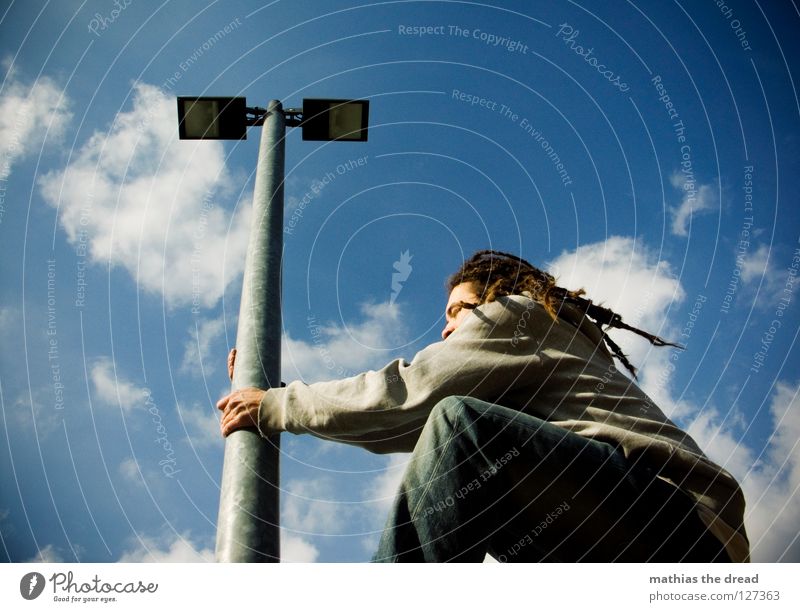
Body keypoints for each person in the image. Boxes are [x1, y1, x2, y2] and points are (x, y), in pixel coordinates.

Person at [217, 250, 749, 562]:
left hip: (676, 521)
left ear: (496, 296)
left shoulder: (515, 317)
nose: (447, 328)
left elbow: (408, 396)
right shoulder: (544, 349)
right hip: (641, 538)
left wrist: (276, 403)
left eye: (456, 311)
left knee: (456, 426)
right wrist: (275, 390)